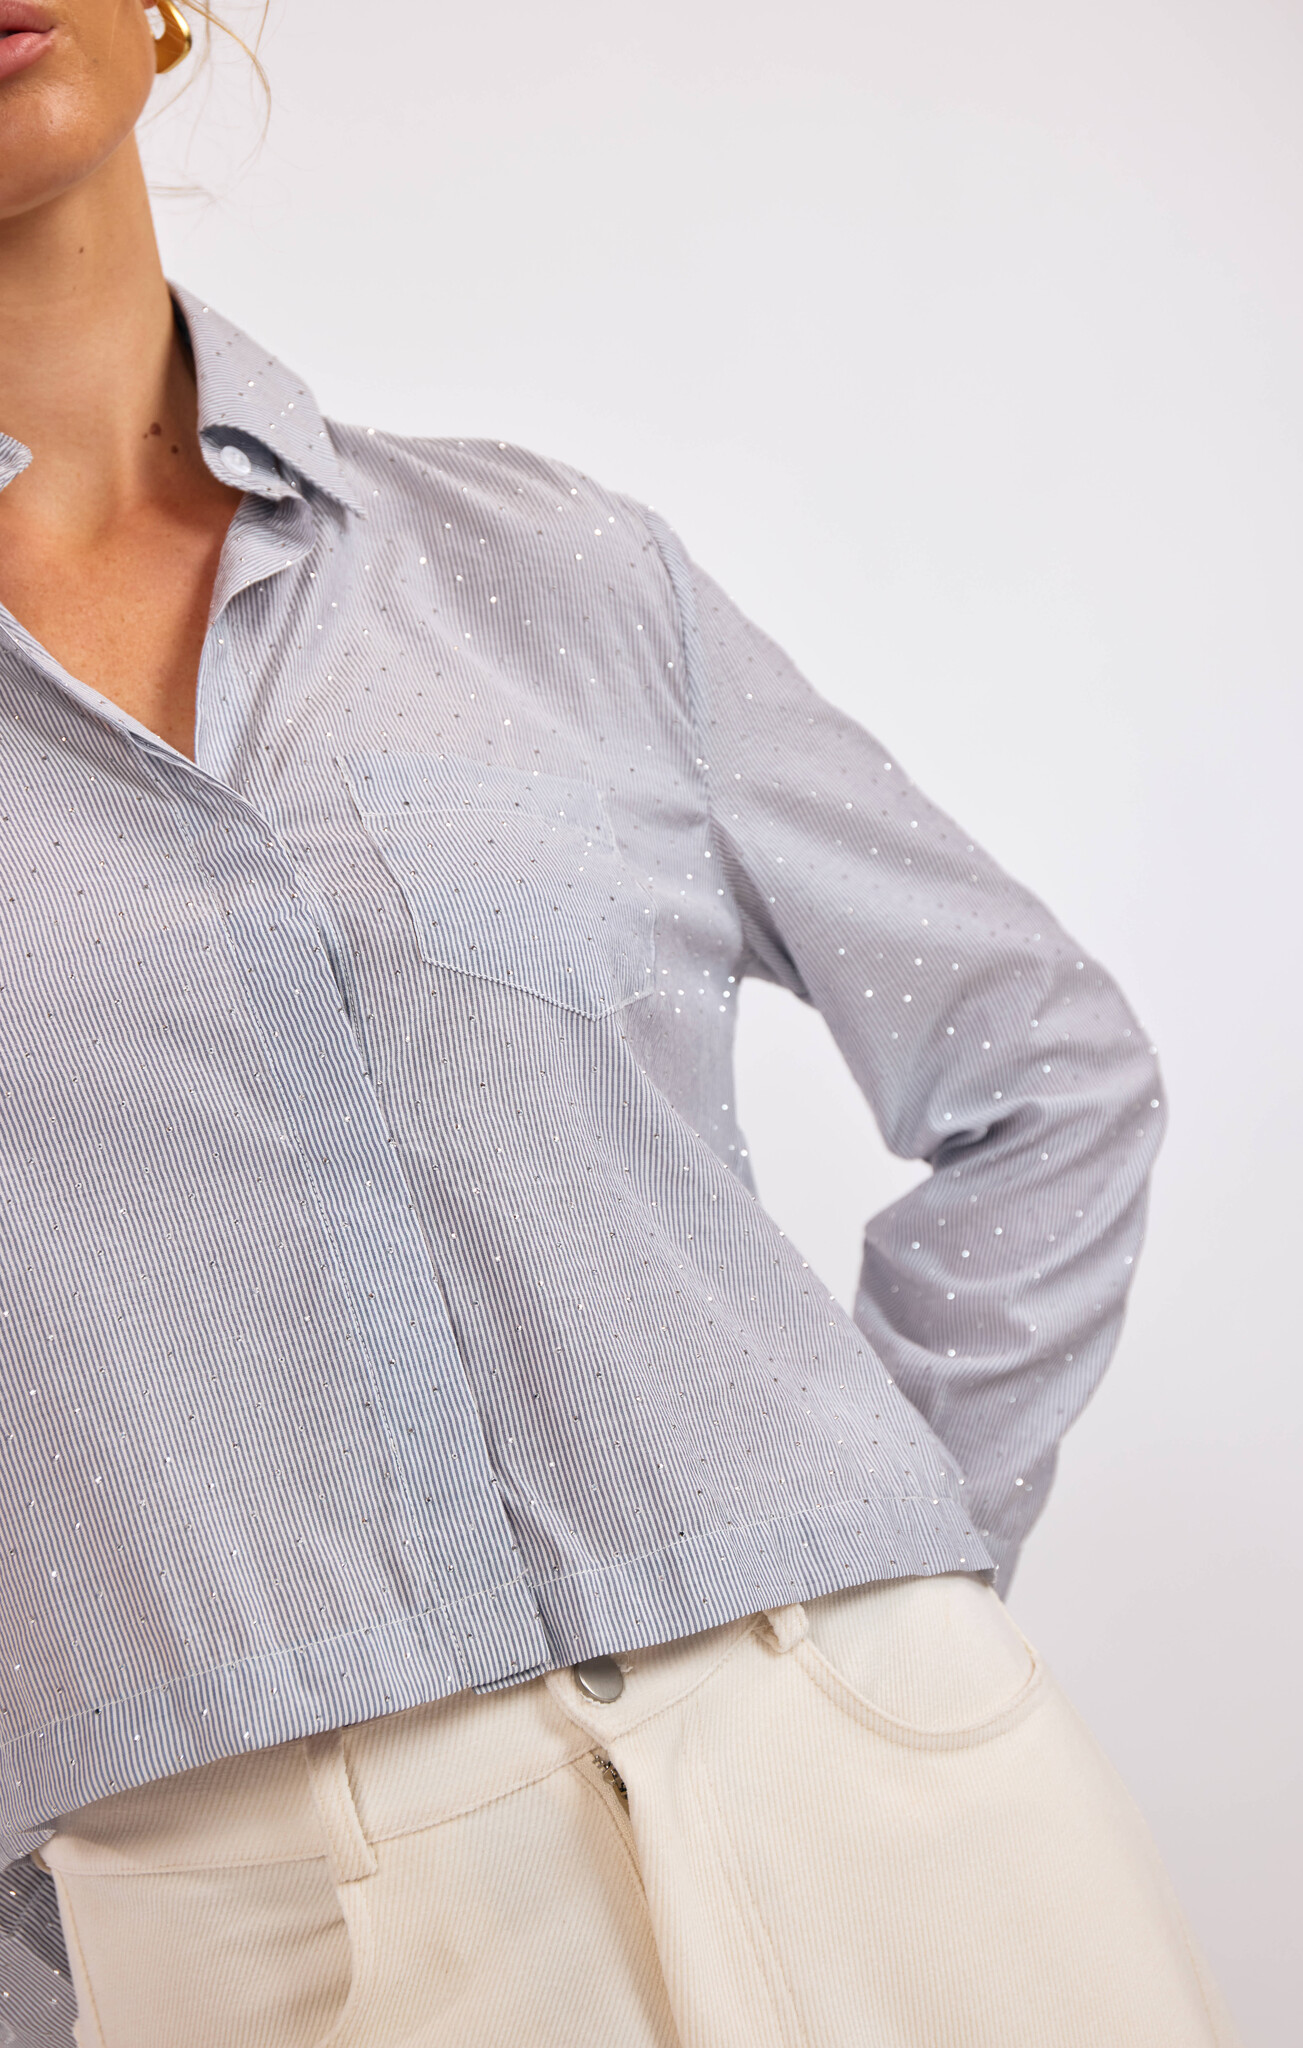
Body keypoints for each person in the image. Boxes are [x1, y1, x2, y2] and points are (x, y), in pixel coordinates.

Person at [0, 5, 1241, 2046]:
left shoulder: (546, 573)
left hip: (883, 1790)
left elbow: (1047, 1072)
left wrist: (874, 1559)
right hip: (269, 1914)